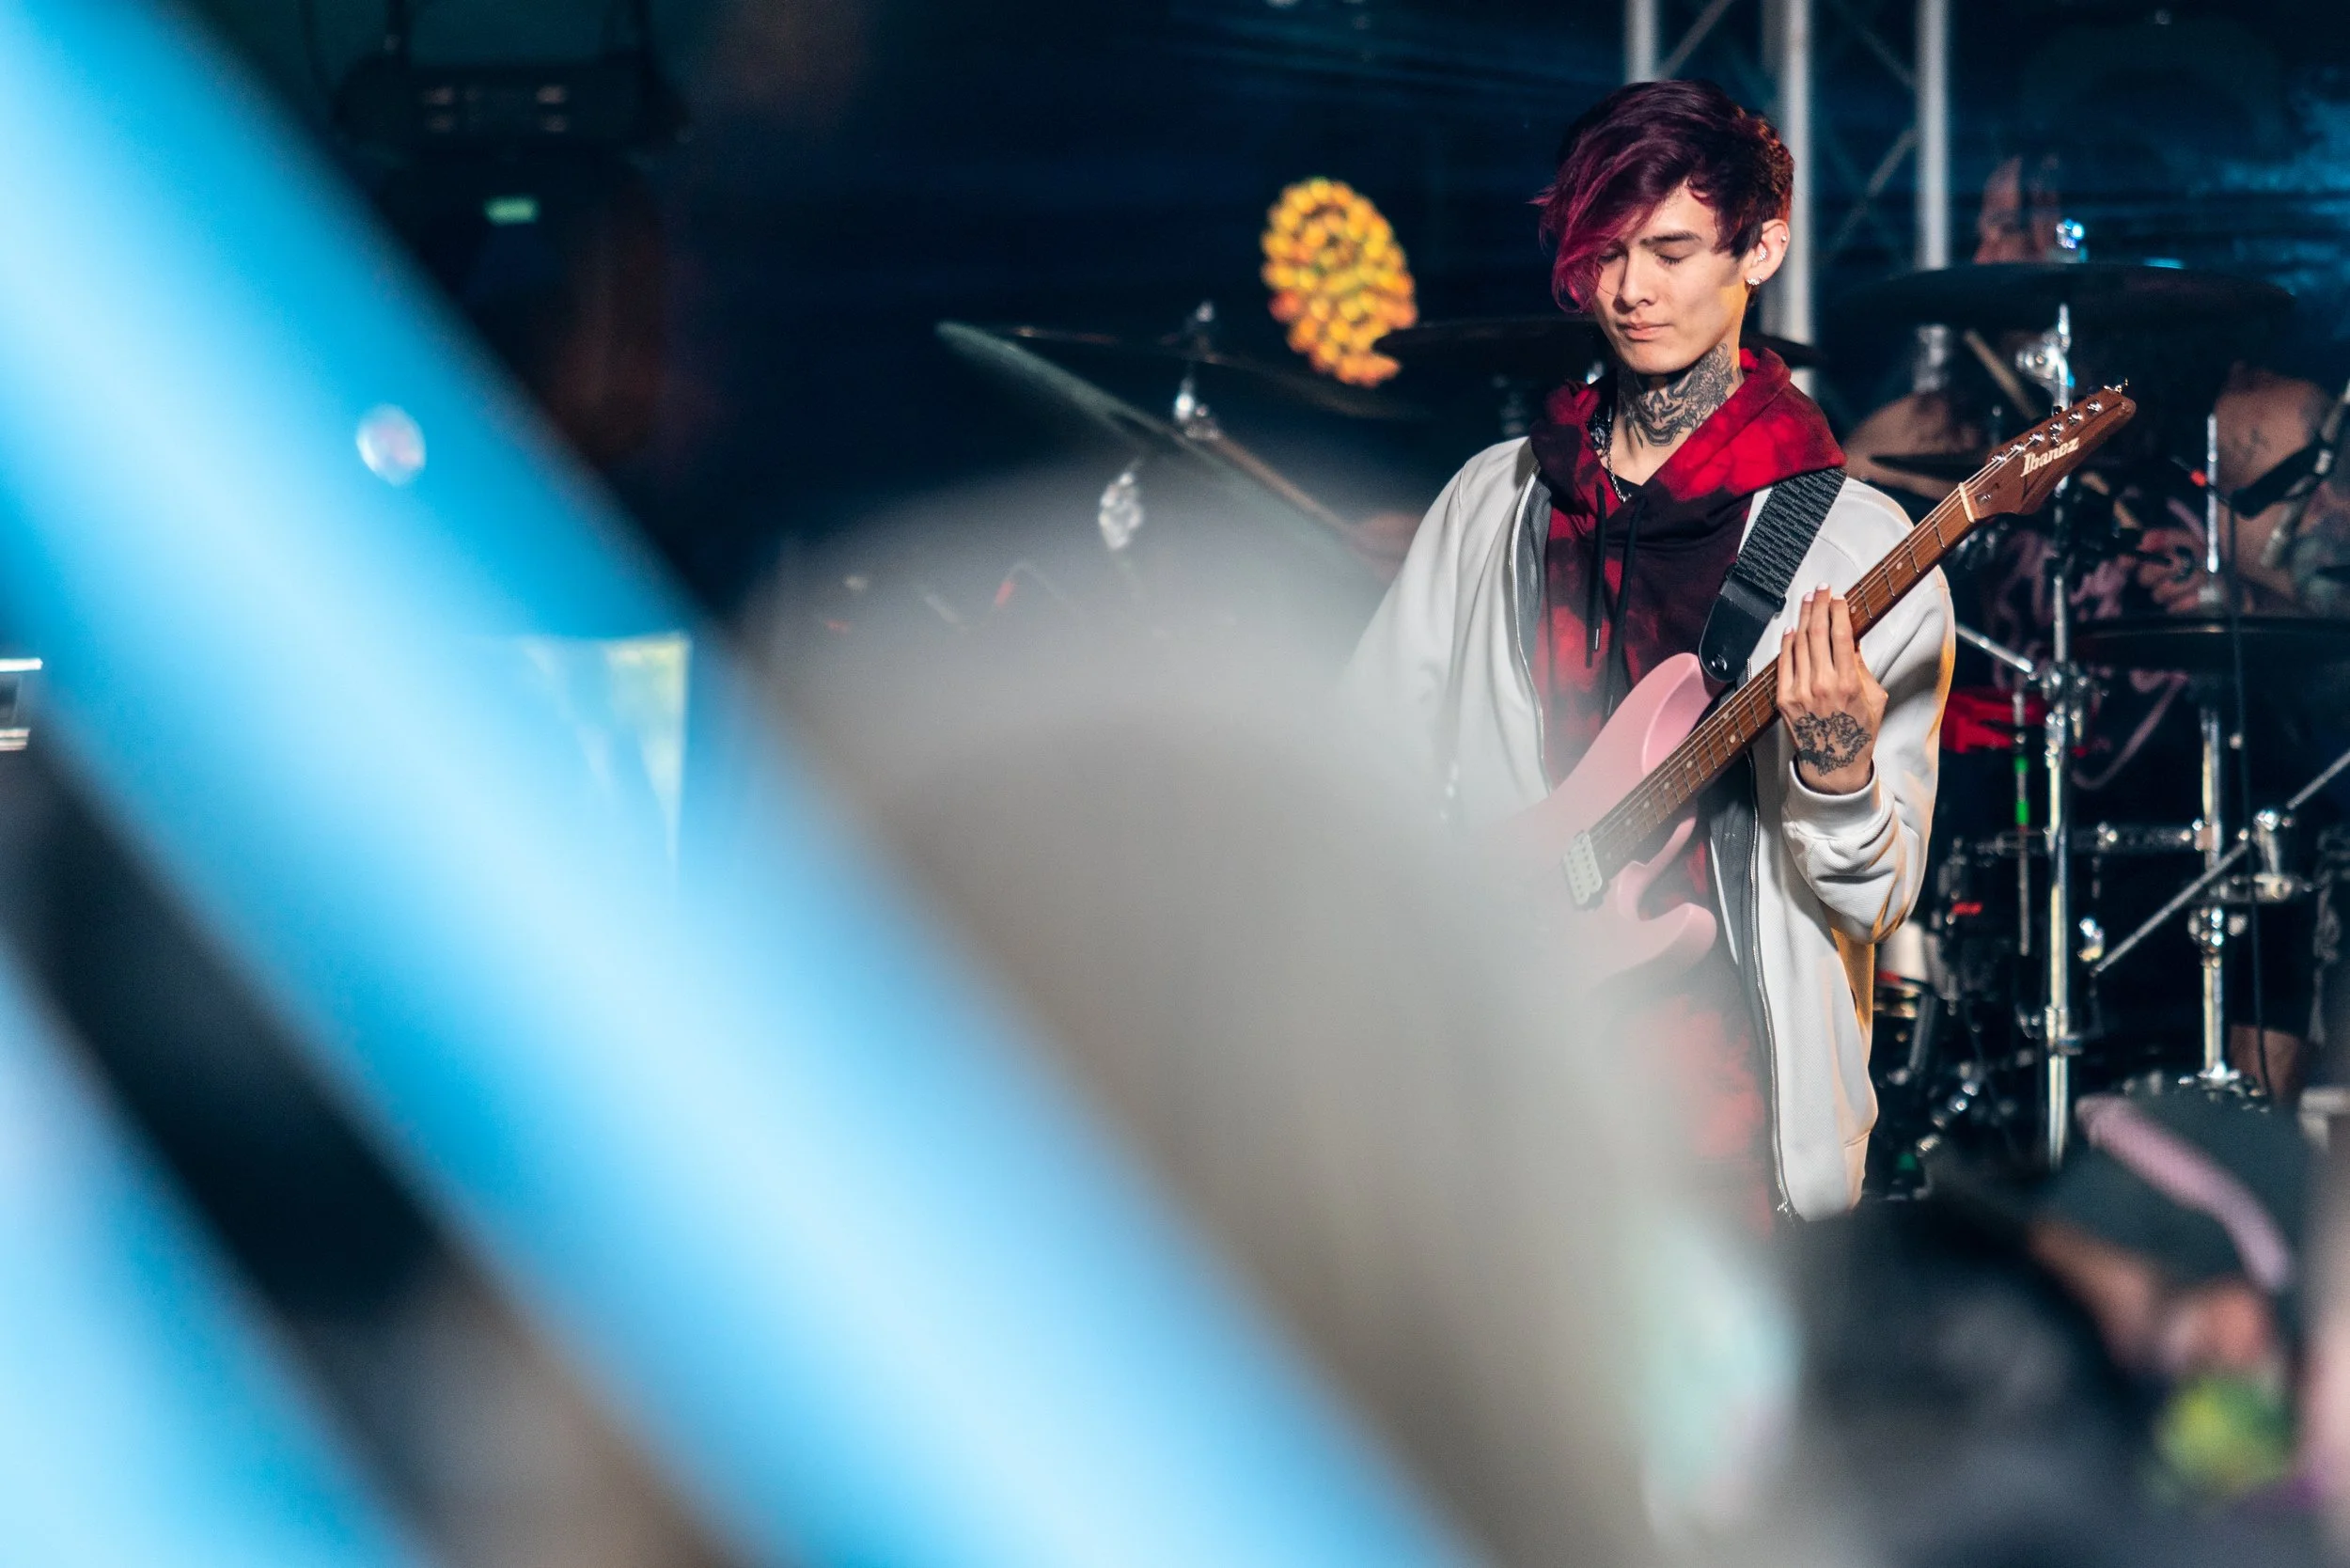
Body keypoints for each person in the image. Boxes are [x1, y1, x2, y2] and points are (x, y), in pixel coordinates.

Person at [1341, 79, 1953, 1222]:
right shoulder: (1497, 502)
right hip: (1508, 1098)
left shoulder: (1861, 552)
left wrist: (1835, 773)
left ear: (1760, 246)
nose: (1629, 291)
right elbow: (1353, 762)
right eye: (1606, 252)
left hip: (1726, 1133)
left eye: (1670, 250)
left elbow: (1873, 894)